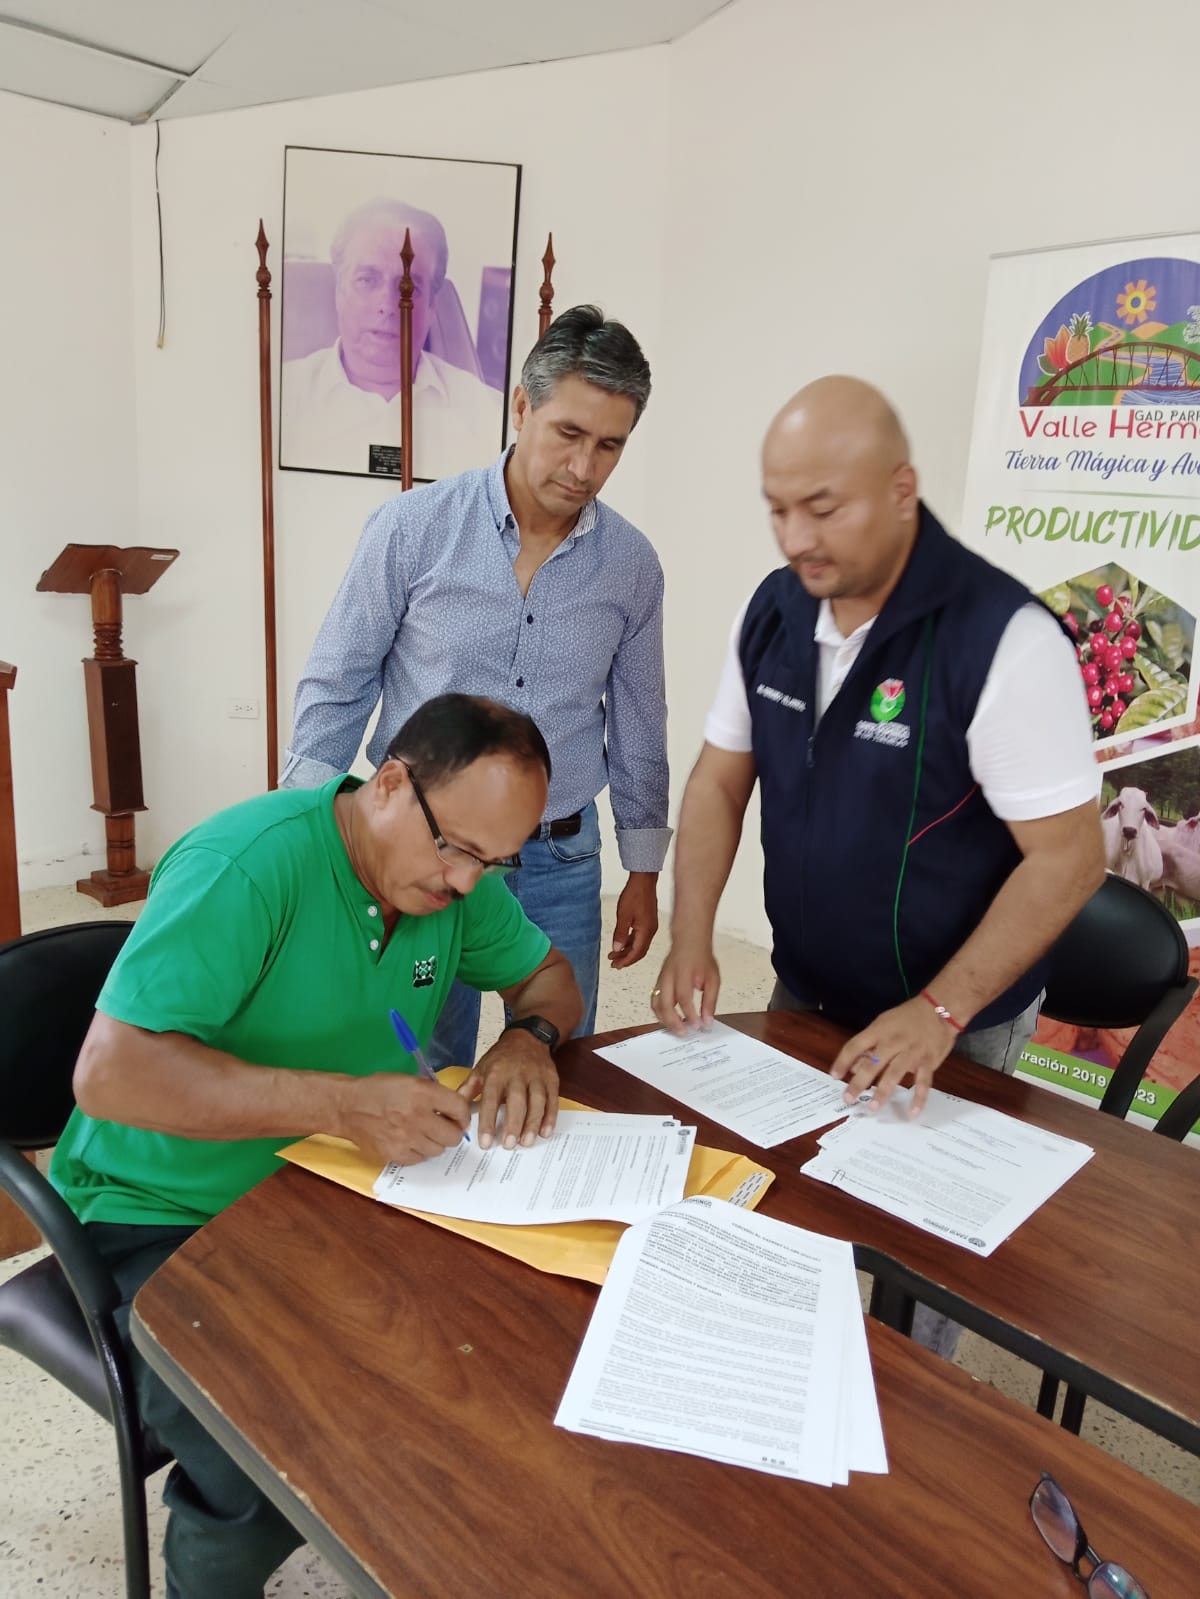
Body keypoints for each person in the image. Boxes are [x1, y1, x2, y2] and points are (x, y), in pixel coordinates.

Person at [49, 693, 582, 1598]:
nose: (464, 883)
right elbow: (110, 1074)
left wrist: (529, 1038)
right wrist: (340, 1104)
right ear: (391, 783)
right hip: (155, 1213)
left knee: (490, 1352)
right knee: (264, 1444)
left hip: (325, 1191)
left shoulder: (452, 882)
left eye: (494, 862)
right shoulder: (249, 866)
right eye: (456, 848)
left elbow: (550, 977)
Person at [652, 377, 1105, 1344]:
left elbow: (1069, 858)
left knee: (917, 1271)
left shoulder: (1005, 641)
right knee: (789, 1213)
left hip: (953, 1019)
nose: (796, 537)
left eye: (824, 508)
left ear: (903, 489)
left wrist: (940, 1011)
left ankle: (910, 1404)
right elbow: (718, 781)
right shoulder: (773, 613)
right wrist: (692, 934)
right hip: (807, 988)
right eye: (779, 509)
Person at [282, 305, 670, 1072]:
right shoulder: (412, 528)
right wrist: (304, 838)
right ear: (522, 407)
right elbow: (338, 682)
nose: (584, 467)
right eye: (568, 433)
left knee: (559, 1057)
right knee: (423, 1063)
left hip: (560, 854)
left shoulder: (632, 565)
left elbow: (639, 721)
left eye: (609, 446)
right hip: (423, 849)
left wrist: (644, 868)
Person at [280, 196, 503, 480]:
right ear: (339, 292)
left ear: (432, 306)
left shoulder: (490, 417)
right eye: (366, 280)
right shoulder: (281, 398)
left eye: (409, 286)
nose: (387, 304)